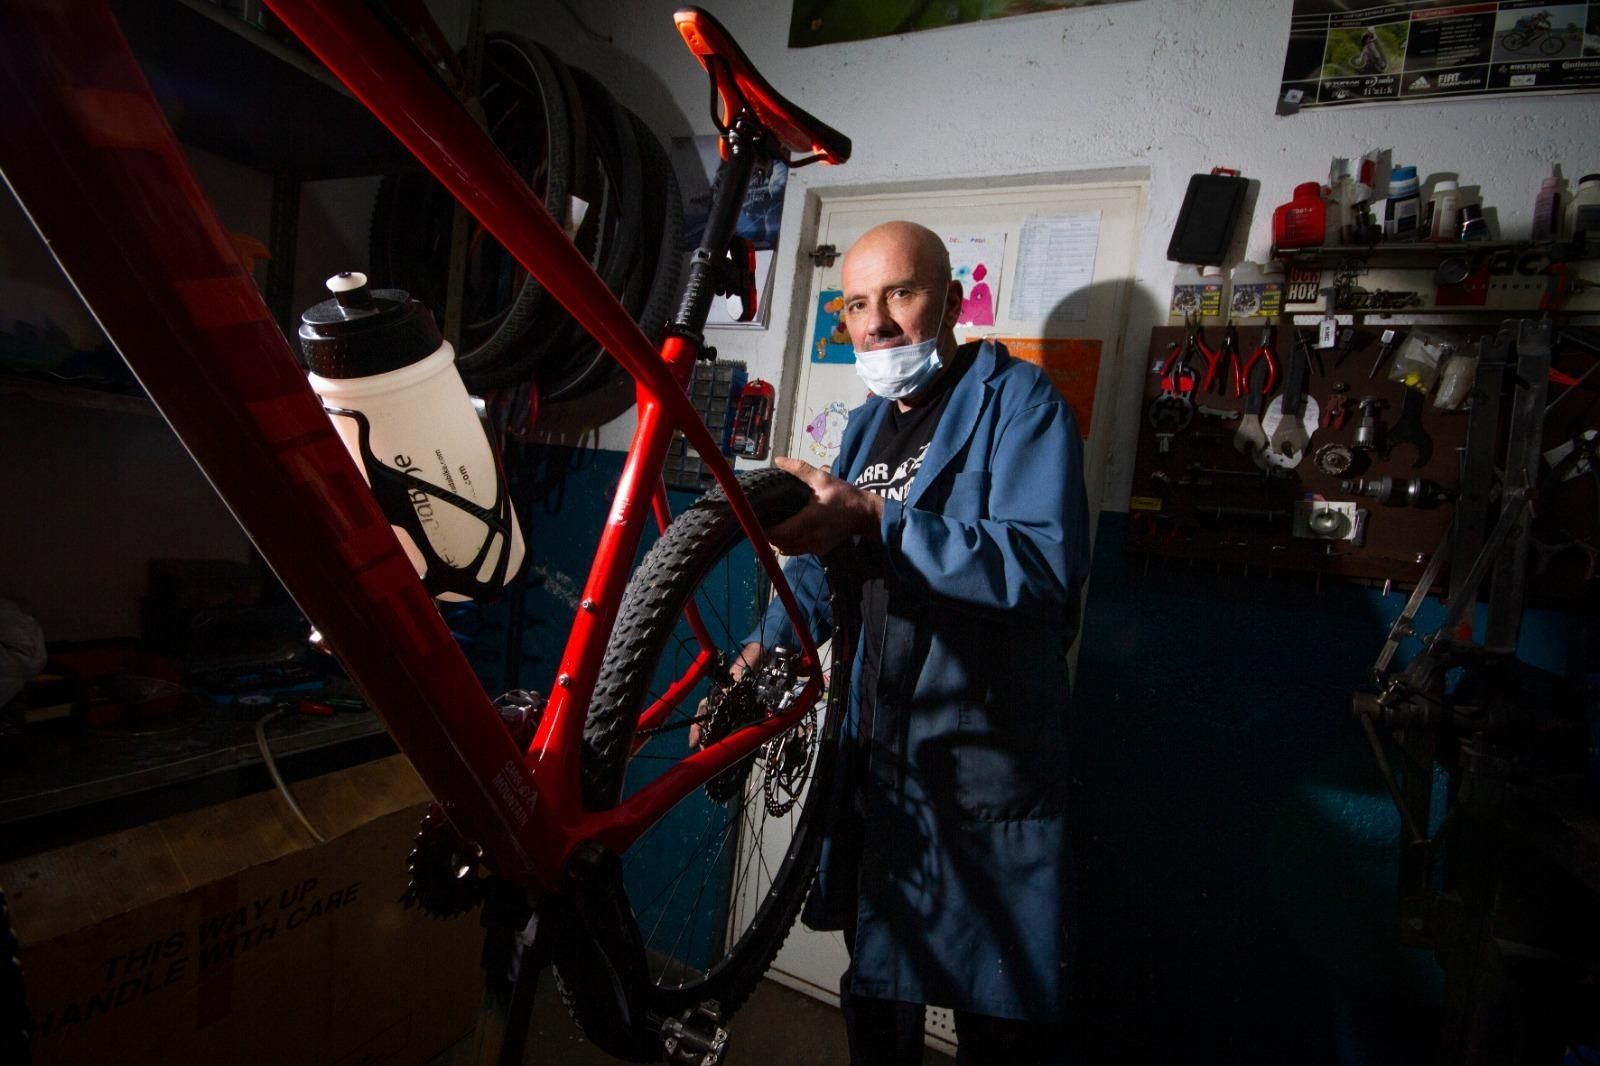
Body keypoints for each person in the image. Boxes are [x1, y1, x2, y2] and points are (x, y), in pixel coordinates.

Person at [738, 221, 1090, 1064]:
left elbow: (1041, 565)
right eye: (856, 302)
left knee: (994, 1013)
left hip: (977, 759)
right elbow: (836, 568)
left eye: (899, 293)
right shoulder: (863, 429)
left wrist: (879, 516)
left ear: (953, 298)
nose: (876, 323)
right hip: (878, 757)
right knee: (879, 991)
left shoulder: (1023, 404)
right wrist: (765, 647)